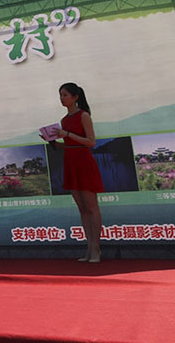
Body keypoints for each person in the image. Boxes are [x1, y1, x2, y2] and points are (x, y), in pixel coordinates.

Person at [53, 83, 104, 263]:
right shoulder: (64, 120)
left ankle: (96, 248)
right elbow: (69, 145)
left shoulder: (83, 115)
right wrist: (55, 143)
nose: (62, 98)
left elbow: (91, 142)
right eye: (60, 95)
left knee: (91, 207)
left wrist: (67, 134)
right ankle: (89, 247)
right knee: (82, 209)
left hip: (84, 162)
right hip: (71, 162)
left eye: (65, 95)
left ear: (75, 97)